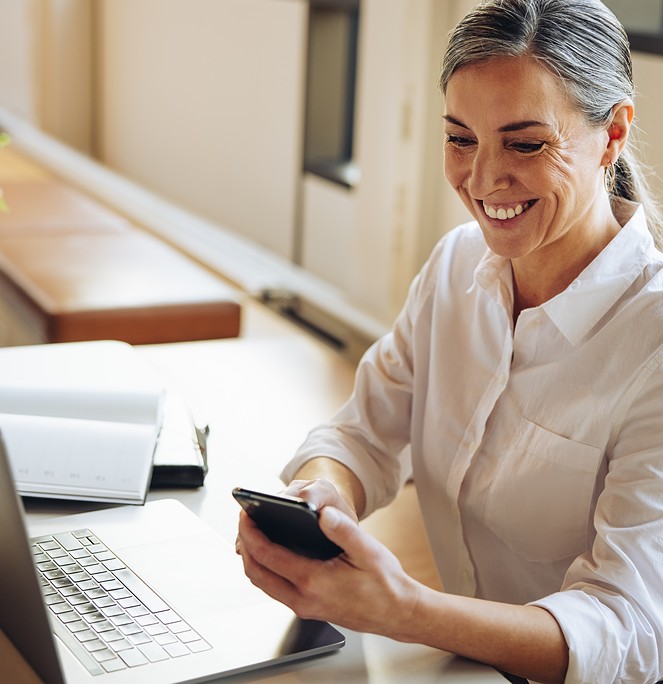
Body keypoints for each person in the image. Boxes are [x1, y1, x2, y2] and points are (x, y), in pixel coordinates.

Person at [236, 1, 663, 682]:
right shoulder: (455, 266)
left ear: (611, 134)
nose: (483, 179)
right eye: (460, 138)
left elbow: (626, 629)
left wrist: (406, 609)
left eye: (525, 144)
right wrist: (322, 502)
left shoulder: (650, 346)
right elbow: (361, 434)